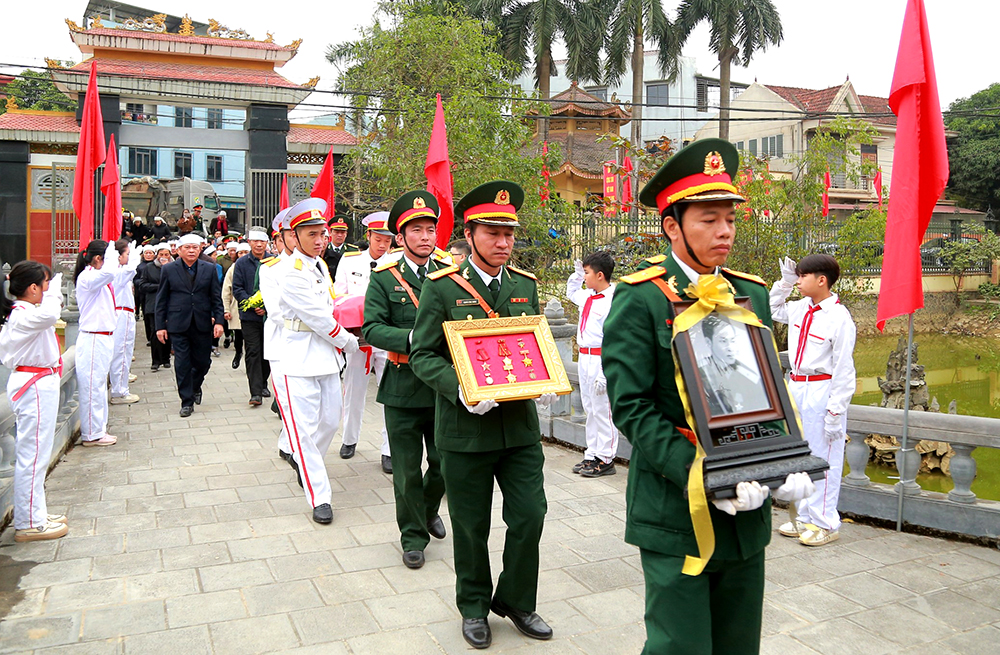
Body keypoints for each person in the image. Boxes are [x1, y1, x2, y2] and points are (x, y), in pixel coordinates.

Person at [601, 139, 816, 655]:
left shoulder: (753, 293)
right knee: (681, 645)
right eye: (708, 220)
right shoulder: (641, 298)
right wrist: (701, 474)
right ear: (672, 225)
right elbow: (632, 408)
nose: (724, 232)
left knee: (739, 643)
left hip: (749, 509)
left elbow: (765, 388)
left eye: (730, 220)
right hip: (676, 507)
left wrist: (783, 462)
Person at [410, 181, 557, 649]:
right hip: (465, 428)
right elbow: (422, 355)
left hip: (518, 429)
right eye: (493, 233)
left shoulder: (524, 285)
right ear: (470, 235)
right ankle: (474, 606)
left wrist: (547, 381)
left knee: (531, 515)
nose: (504, 242)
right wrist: (460, 390)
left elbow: (532, 344)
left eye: (509, 234)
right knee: (471, 526)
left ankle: (514, 598)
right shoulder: (441, 288)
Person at [363, 190, 448, 570]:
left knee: (445, 462)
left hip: (443, 386)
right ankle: (413, 536)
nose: (426, 236)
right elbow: (372, 328)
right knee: (407, 469)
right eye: (417, 230)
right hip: (401, 383)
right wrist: (413, 338)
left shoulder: (450, 276)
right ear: (401, 237)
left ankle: (428, 508)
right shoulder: (383, 277)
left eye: (431, 229)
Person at [278, 197, 359, 524]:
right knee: (304, 431)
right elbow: (317, 318)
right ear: (294, 237)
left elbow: (332, 304)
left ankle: (306, 461)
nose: (319, 240)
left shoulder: (320, 266)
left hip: (326, 359)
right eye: (311, 234)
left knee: (329, 421)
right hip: (298, 358)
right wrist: (349, 340)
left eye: (322, 233)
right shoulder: (290, 271)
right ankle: (319, 496)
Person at [770, 254, 857, 547]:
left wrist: (836, 409)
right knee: (798, 456)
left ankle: (825, 523)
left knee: (823, 458)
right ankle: (803, 517)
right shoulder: (799, 308)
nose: (799, 281)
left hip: (822, 390)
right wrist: (783, 282)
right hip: (796, 385)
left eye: (803, 276)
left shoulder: (839, 318)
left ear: (822, 280)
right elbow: (772, 307)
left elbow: (844, 367)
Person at [0, 261, 69, 542]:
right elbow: (52, 313)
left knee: (38, 452)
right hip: (34, 386)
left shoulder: (26, 312)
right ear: (32, 288)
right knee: (34, 453)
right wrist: (54, 291)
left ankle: (35, 512)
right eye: (44, 284)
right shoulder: (24, 314)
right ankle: (29, 521)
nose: (48, 290)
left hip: (39, 383)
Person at [335, 212, 394, 472]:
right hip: (357, 337)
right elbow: (339, 295)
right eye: (378, 239)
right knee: (353, 389)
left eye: (387, 240)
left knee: (390, 393)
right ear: (368, 236)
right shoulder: (350, 261)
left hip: (387, 336)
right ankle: (349, 439)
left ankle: (389, 449)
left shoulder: (397, 262)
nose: (382, 245)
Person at [74, 239, 137, 446]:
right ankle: (91, 433)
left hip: (102, 336)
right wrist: (111, 256)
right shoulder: (88, 276)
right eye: (109, 257)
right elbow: (110, 273)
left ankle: (97, 429)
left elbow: (117, 275)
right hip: (93, 337)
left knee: (99, 385)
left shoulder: (97, 278)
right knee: (93, 387)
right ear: (100, 258)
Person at [154, 233, 225, 417]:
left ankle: (195, 386)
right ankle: (186, 401)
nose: (192, 250)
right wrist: (160, 326)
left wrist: (219, 321)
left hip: (202, 322)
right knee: (182, 362)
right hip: (178, 323)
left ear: (200, 248)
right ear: (178, 250)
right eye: (187, 247)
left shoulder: (209, 268)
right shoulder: (169, 269)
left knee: (203, 362)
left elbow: (215, 298)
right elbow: (161, 300)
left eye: (195, 247)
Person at [566, 251, 619, 477]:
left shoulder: (613, 300)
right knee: (589, 407)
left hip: (601, 357)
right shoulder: (589, 296)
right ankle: (592, 453)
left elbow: (616, 337)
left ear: (599, 275)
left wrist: (605, 372)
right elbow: (571, 292)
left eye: (587, 273)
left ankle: (606, 457)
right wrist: (577, 275)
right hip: (585, 357)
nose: (584, 277)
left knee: (602, 409)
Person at [259, 209, 297, 470]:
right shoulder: (271, 269)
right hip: (282, 344)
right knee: (288, 400)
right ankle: (296, 449)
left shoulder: (318, 265)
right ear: (281, 239)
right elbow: (275, 313)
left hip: (312, 347)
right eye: (292, 235)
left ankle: (286, 443)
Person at [697, 314, 768, 415]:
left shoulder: (749, 376)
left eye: (733, 340)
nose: (730, 347)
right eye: (723, 341)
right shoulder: (700, 373)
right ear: (709, 342)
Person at [232, 230, 272, 406]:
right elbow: (237, 288)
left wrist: (266, 306)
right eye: (255, 241)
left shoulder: (273, 261)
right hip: (249, 317)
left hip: (270, 316)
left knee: (268, 352)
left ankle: (263, 382)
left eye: (262, 242)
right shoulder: (241, 263)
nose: (259, 245)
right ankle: (255, 392)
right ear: (249, 242)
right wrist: (252, 303)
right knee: (253, 351)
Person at [109, 239, 141, 405]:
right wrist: (134, 258)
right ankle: (119, 391)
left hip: (125, 312)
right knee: (121, 351)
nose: (129, 257)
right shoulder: (117, 272)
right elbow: (131, 270)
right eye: (127, 254)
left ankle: (121, 380)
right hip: (121, 313)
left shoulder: (118, 270)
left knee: (125, 350)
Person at [138, 245, 173, 371]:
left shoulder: (174, 267)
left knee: (169, 330)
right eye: (161, 254)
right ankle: (155, 360)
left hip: (170, 304)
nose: (163, 257)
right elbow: (142, 285)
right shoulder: (149, 267)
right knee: (155, 331)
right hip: (153, 304)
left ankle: (166, 358)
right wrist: (159, 287)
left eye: (166, 255)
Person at [222, 243, 249, 369]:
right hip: (237, 305)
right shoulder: (234, 267)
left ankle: (251, 361)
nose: (243, 255)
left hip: (255, 306)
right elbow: (226, 290)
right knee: (238, 334)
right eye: (240, 253)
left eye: (246, 252)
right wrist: (226, 309)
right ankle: (238, 353)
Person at [322, 215, 359, 282]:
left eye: (342, 232)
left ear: (346, 234)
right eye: (336, 232)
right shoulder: (324, 249)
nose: (339, 235)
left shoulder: (353, 251)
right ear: (330, 233)